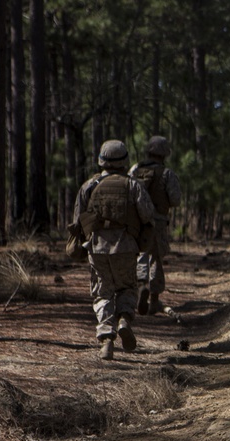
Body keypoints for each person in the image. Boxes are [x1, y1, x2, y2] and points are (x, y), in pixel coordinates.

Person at [74, 139, 155, 360]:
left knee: (103, 292)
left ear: (101, 160)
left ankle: (107, 339)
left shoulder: (88, 186)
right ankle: (124, 320)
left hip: (97, 247)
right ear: (124, 160)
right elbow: (148, 214)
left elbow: (77, 220)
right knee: (127, 288)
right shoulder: (133, 185)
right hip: (126, 246)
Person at [130, 135, 183, 316]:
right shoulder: (167, 174)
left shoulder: (136, 169)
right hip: (159, 222)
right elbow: (175, 200)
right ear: (164, 154)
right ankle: (154, 299)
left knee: (140, 256)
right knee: (156, 259)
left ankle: (141, 285)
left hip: (138, 221)